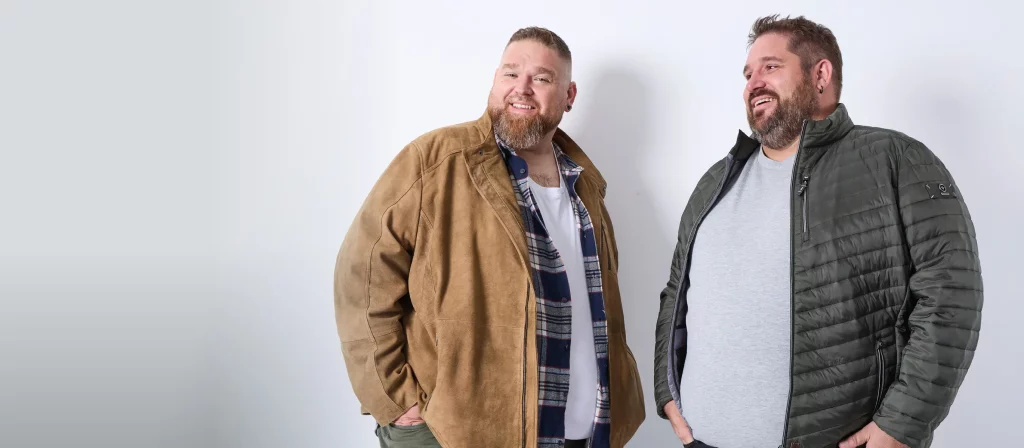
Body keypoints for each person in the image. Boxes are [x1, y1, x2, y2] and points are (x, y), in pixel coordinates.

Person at [653, 15, 983, 448]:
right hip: (701, 440)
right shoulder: (716, 180)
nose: (753, 83)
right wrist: (666, 390)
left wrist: (902, 424)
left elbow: (951, 293)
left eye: (771, 67)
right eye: (748, 74)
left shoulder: (895, 159)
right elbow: (676, 291)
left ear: (820, 75)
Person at [334, 26, 645, 448]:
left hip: (584, 434)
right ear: (495, 80)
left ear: (569, 95)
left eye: (541, 78)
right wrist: (395, 400)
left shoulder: (586, 184)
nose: (522, 88)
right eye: (511, 73)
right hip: (457, 433)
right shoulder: (435, 161)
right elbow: (361, 277)